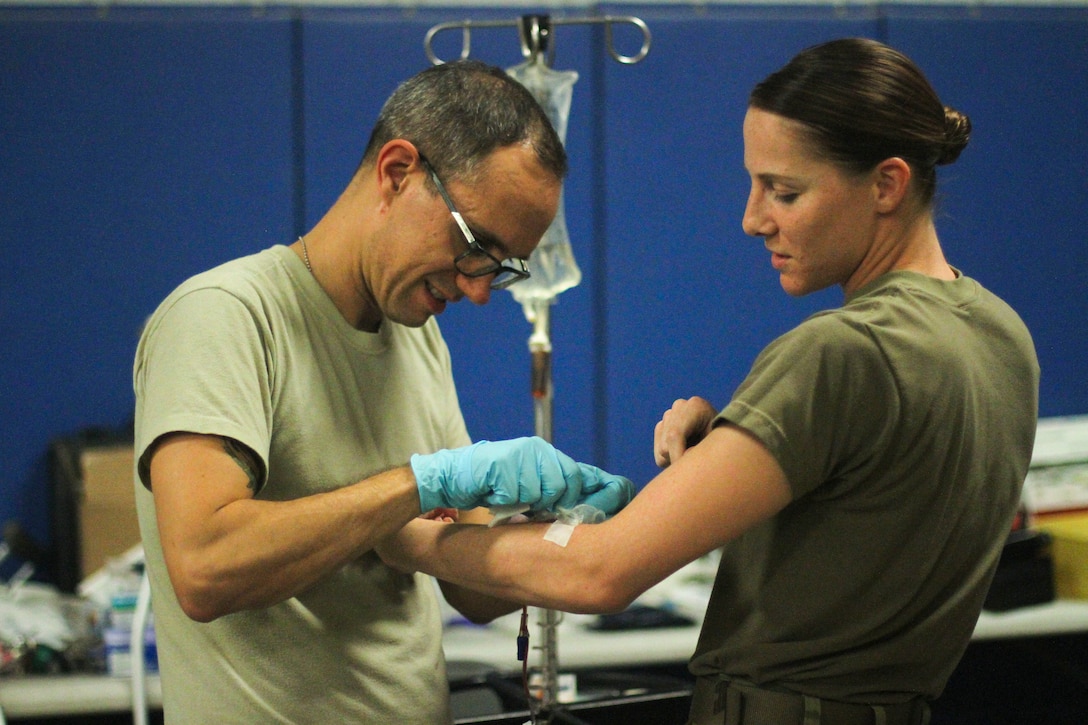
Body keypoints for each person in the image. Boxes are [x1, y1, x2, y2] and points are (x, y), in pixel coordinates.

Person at [376, 38, 1040, 724]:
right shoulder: (999, 334)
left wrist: (404, 535)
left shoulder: (839, 353)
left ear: (887, 184)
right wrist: (734, 453)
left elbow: (598, 570)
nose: (753, 219)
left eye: (785, 191)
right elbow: (876, 502)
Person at [132, 59, 633, 724]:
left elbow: (467, 584)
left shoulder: (416, 337)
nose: (481, 289)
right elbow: (205, 565)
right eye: (476, 243)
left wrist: (575, 530)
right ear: (397, 173)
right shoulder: (226, 316)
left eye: (503, 266)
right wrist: (420, 484)